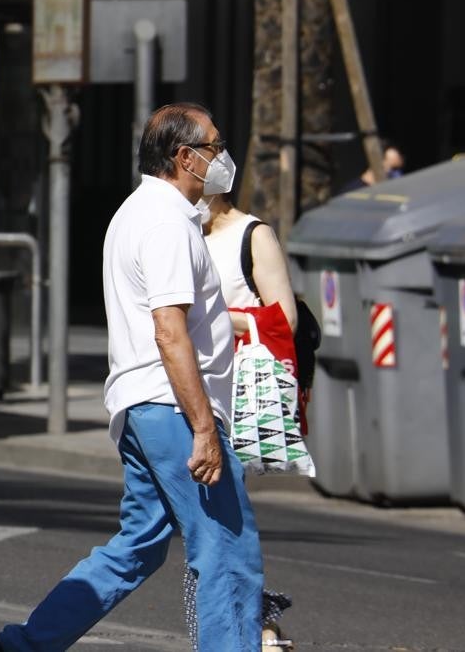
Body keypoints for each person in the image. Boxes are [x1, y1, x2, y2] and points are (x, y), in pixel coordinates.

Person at [0, 103, 264, 652]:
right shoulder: (165, 223)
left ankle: (24, 644)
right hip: (172, 409)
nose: (223, 158)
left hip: (143, 408)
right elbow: (169, 331)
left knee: (140, 543)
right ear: (185, 157)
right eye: (215, 146)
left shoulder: (141, 213)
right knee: (228, 550)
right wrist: (204, 428)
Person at [200, 190, 299, 652]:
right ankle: (255, 627)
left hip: (240, 392)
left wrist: (212, 317)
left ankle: (256, 627)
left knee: (220, 520)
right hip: (188, 389)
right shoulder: (182, 229)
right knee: (211, 522)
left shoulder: (252, 234)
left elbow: (284, 319)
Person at [339, 141, 405, 193]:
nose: (397, 174)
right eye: (393, 169)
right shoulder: (352, 193)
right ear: (375, 164)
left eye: (398, 169)